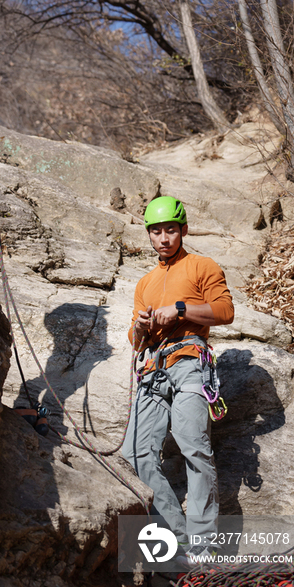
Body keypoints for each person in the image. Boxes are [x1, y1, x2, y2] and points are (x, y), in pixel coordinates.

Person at [121, 196, 234, 562]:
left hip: (189, 362)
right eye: (156, 231)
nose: (164, 238)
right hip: (153, 369)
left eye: (171, 229)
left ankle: (204, 545)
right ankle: (178, 540)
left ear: (183, 230)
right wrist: (139, 326)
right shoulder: (146, 283)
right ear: (149, 236)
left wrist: (182, 308)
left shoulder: (203, 266)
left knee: (193, 444)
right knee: (134, 455)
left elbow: (225, 311)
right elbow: (136, 343)